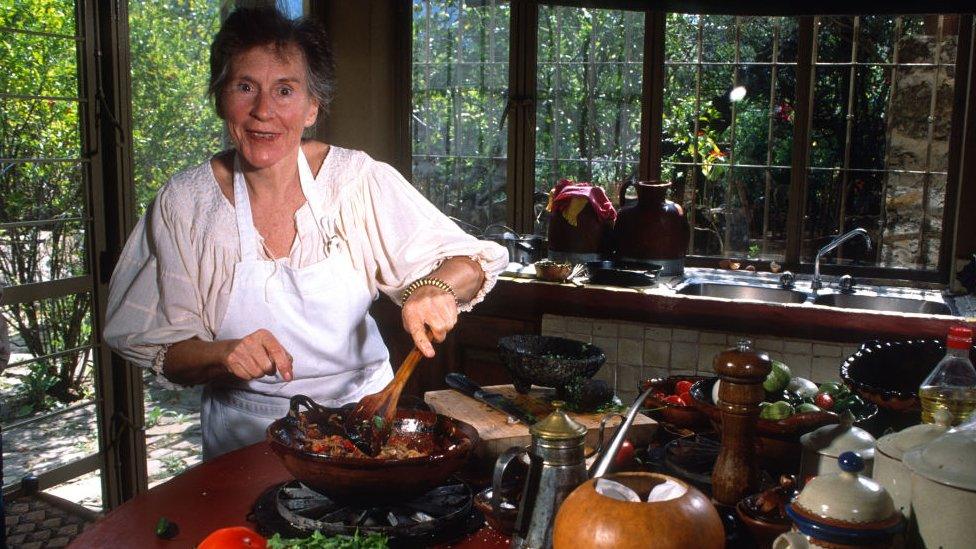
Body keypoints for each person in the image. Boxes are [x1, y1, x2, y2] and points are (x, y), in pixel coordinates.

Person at [104, 7, 507, 460]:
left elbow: (471, 265)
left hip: (366, 425)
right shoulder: (185, 203)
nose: (263, 111)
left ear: (312, 107)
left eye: (285, 90)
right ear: (220, 98)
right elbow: (165, 348)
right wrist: (222, 354)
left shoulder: (354, 181)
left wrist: (436, 287)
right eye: (244, 87)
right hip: (241, 438)